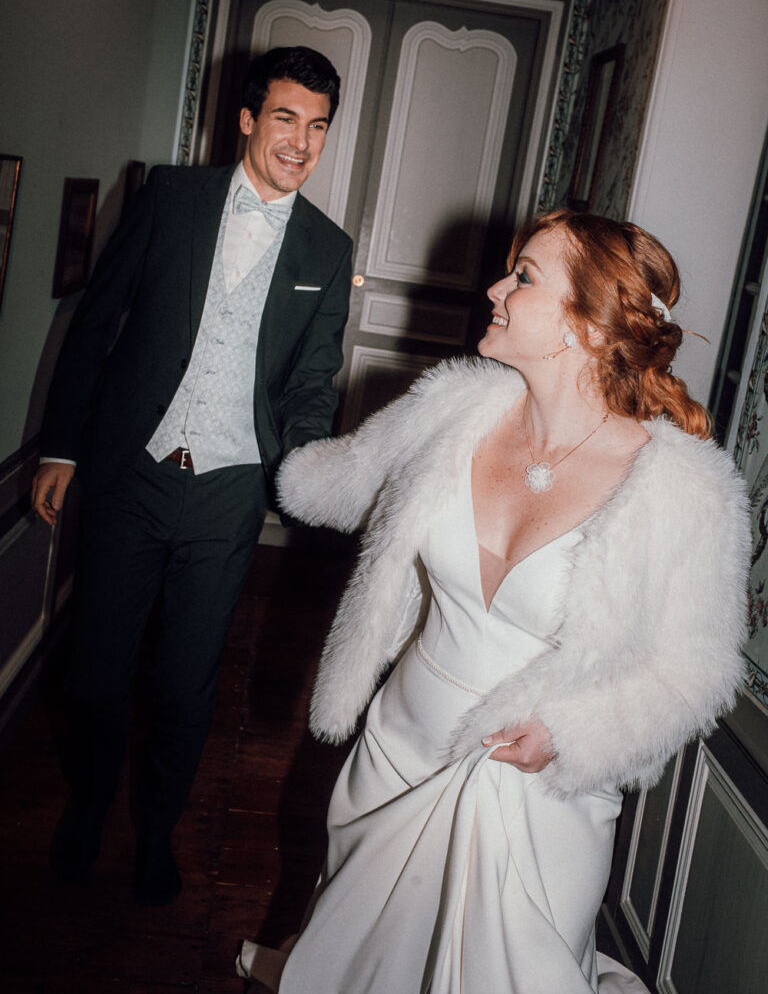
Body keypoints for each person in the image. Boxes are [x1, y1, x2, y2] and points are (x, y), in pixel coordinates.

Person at [237, 209, 749, 993]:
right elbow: (325, 484)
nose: (494, 288)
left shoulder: (685, 489)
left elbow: (695, 674)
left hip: (538, 796)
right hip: (399, 750)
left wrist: (568, 734)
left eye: (524, 277)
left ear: (582, 322)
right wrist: (256, 401)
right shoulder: (452, 408)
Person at [32, 45, 353, 905]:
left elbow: (312, 383)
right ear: (247, 119)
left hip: (229, 492)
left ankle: (157, 833)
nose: (301, 142)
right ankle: (90, 807)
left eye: (318, 126)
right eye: (285, 118)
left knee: (184, 683)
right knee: (98, 671)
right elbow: (96, 323)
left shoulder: (328, 246)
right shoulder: (171, 199)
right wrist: (61, 446)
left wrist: (315, 468)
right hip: (133, 474)